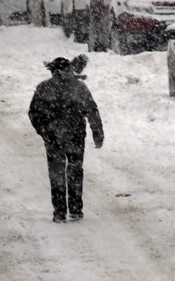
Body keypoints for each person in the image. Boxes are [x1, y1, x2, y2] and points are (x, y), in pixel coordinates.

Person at [28, 56, 104, 223]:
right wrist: (97, 132)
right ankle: (75, 209)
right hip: (73, 136)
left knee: (58, 173)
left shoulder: (45, 88)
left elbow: (34, 113)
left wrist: (44, 131)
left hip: (55, 138)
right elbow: (92, 110)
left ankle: (60, 211)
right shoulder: (78, 87)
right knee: (75, 171)